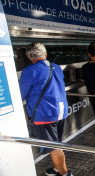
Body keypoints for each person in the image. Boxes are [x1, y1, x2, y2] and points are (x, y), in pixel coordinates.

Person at [19, 42, 72, 176]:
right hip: (61, 111)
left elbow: (20, 93)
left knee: (53, 147)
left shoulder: (29, 71)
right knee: (56, 144)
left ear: (29, 57)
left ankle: (65, 174)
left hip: (45, 114)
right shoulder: (56, 67)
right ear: (46, 54)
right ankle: (56, 169)